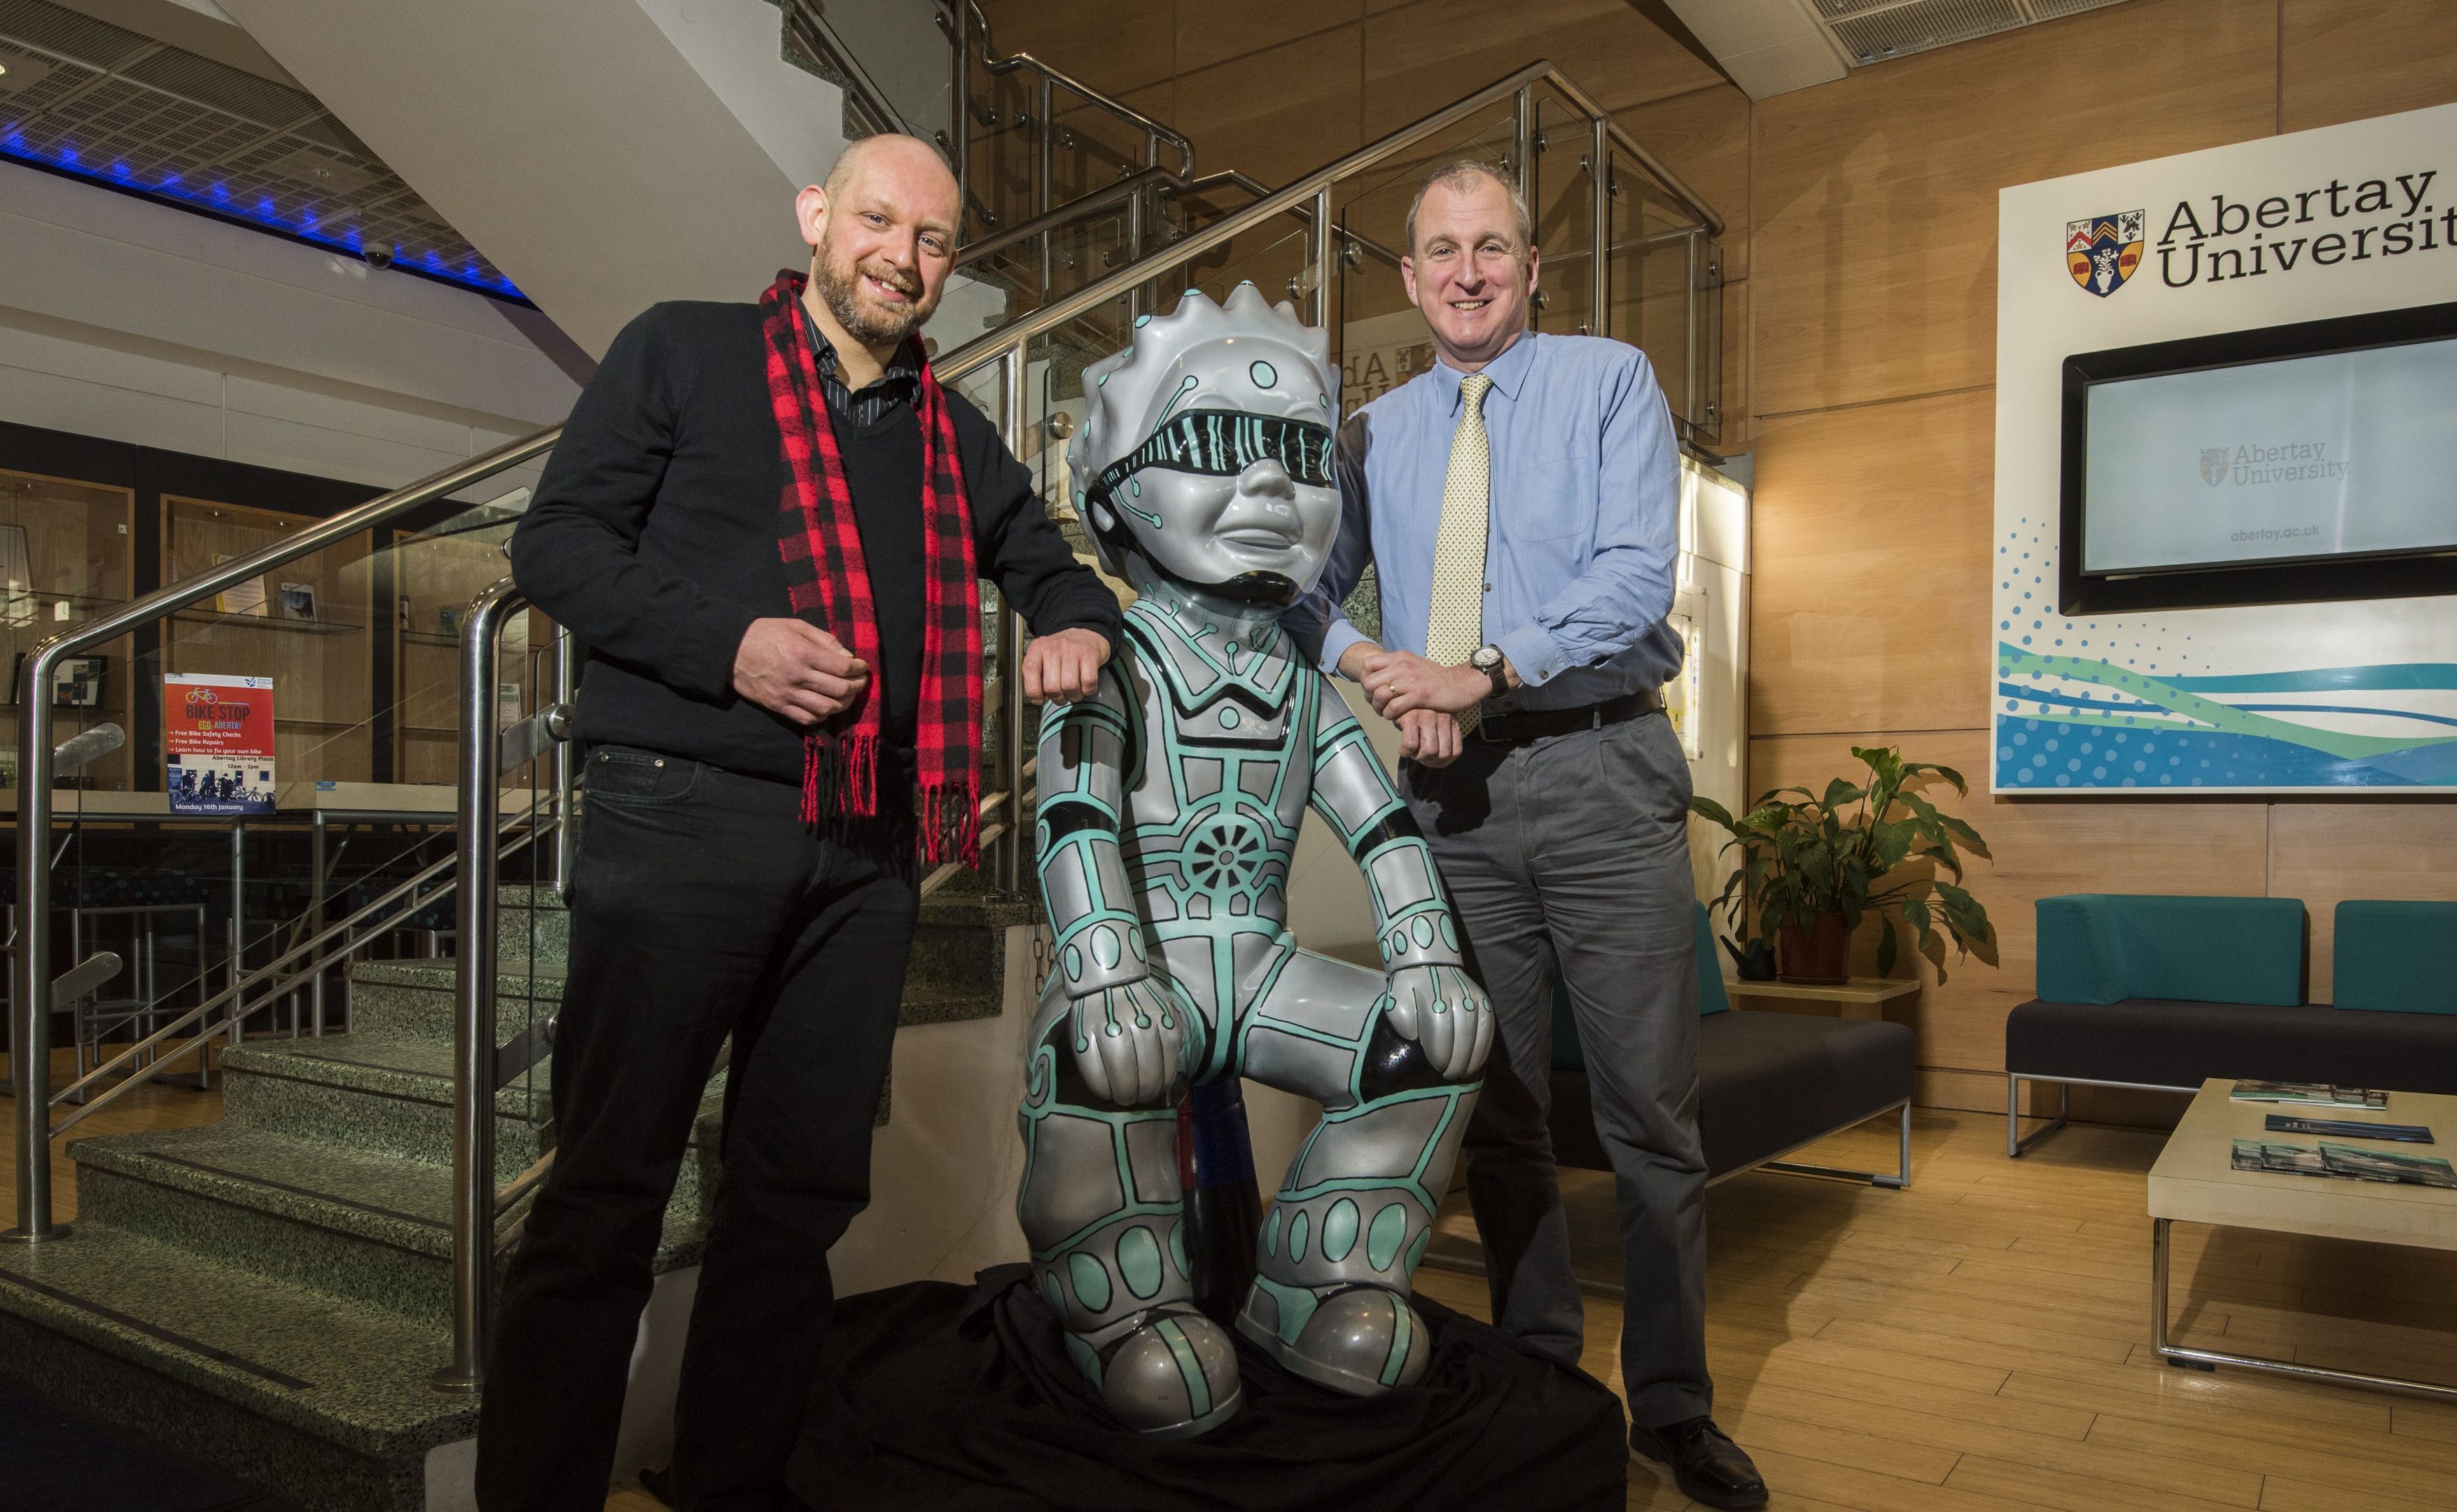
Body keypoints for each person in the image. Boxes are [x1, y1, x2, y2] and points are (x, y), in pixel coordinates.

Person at [478, 134, 1122, 1512]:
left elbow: (1047, 563)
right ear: (818, 217)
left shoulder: (952, 431)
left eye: (934, 239)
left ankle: (730, 1485)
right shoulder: (684, 352)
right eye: (880, 221)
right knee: (604, 1198)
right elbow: (560, 546)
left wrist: (1071, 625)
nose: (903, 255)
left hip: (867, 852)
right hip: (679, 820)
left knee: (790, 1208)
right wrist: (734, 646)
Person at [1283, 159, 1767, 1511]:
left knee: (1649, 1125)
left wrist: (1477, 669)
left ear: (1530, 264)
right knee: (1493, 1117)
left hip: (1603, 779)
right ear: (1408, 276)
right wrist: (1387, 670)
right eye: (1439, 252)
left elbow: (1630, 583)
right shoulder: (1370, 432)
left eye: (1489, 245)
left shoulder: (1610, 379)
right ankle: (1543, 1375)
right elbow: (1305, 594)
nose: (1465, 272)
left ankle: (1672, 1408)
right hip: (1455, 806)